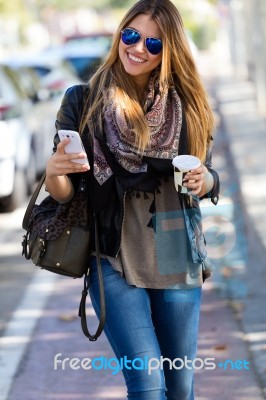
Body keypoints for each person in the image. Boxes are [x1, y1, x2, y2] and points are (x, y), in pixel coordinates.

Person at [45, 0, 220, 398]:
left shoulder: (187, 105)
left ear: (168, 51)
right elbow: (65, 193)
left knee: (179, 386)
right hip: (113, 255)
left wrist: (205, 179)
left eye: (153, 44)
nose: (138, 48)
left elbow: (209, 176)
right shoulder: (82, 101)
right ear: (119, 35)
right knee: (147, 381)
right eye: (131, 35)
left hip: (176, 252)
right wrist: (55, 172)